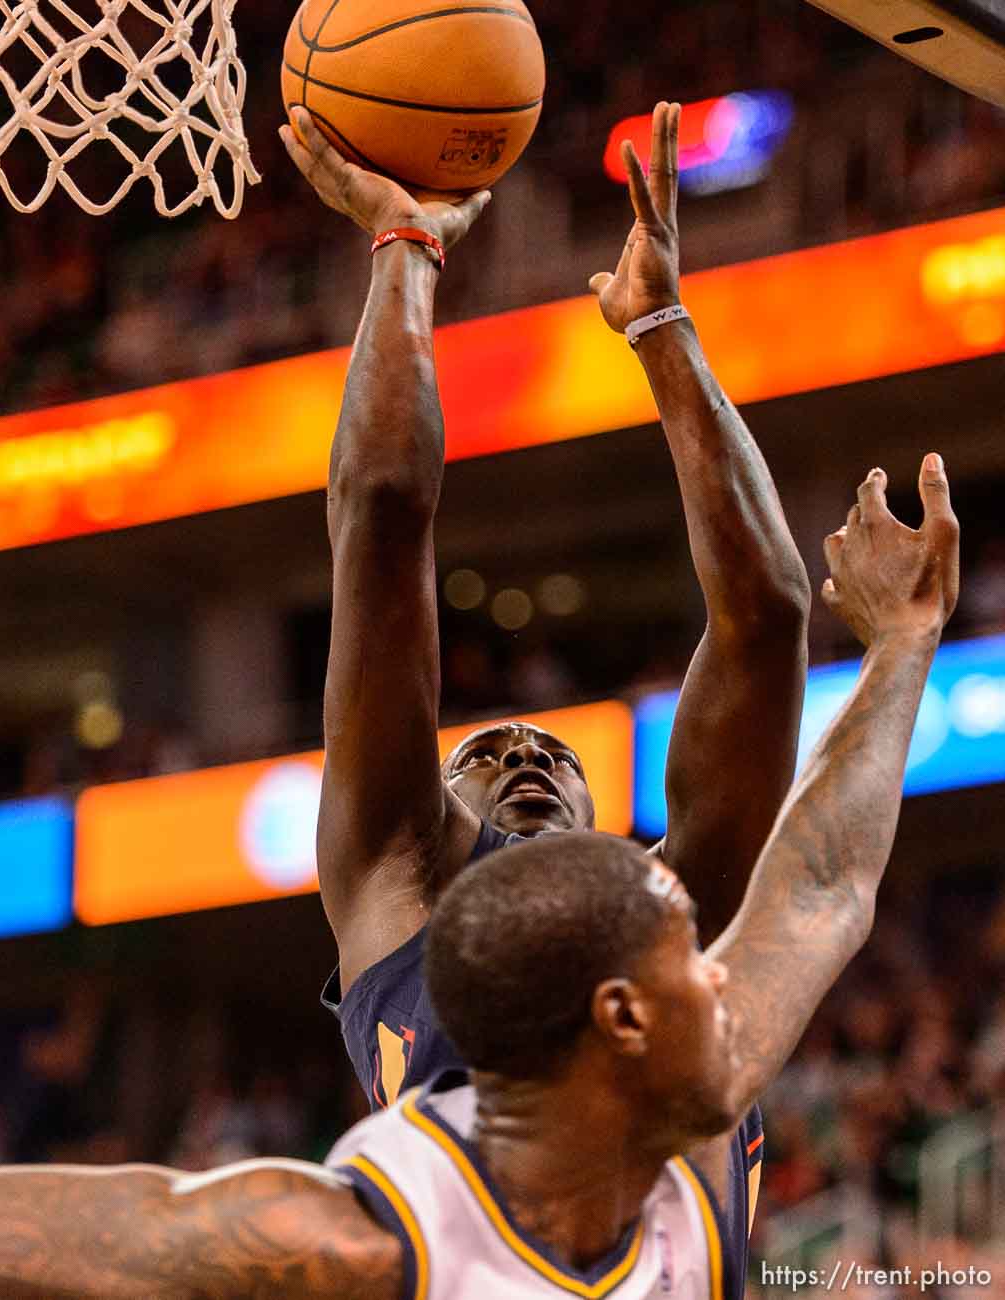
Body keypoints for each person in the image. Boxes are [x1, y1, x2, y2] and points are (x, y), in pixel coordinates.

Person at [0, 458, 959, 1299]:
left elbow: (820, 881)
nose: (727, 991)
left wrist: (903, 647)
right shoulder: (363, 1239)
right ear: (620, 1016)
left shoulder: (688, 1129)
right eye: (692, 975)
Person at [277, 102, 812, 1106]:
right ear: (433, 814)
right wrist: (402, 247)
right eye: (484, 755)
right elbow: (380, 509)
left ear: (604, 819)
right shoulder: (391, 880)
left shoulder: (667, 909)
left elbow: (770, 612)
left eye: (549, 756)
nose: (523, 756)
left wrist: (660, 326)